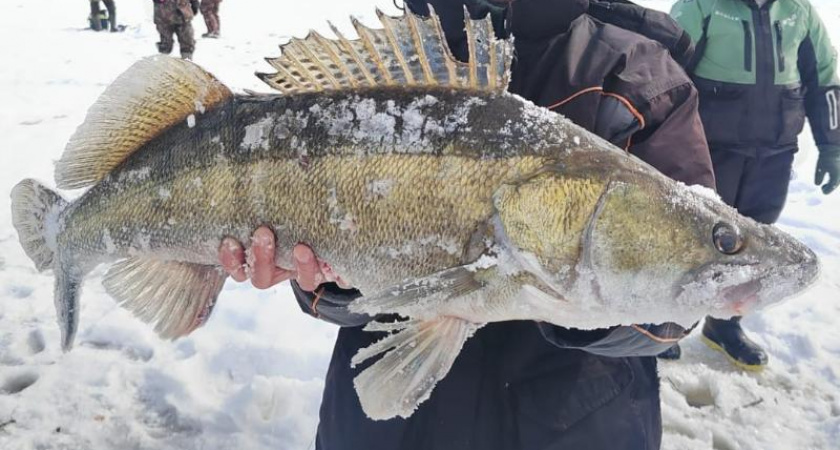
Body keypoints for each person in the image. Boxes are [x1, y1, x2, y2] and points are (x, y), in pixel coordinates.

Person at [218, 0, 715, 448]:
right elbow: (319, 263)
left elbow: (683, 293)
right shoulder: (391, 60)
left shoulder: (637, 77)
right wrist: (332, 283)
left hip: (577, 419)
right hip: (385, 427)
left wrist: (573, 296)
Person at [669, 0, 840, 370]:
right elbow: (663, 74)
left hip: (774, 153)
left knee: (752, 244)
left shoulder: (799, 12)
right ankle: (664, 323)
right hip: (709, 152)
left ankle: (724, 324)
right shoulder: (701, 7)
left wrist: (832, 146)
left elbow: (823, 77)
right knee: (691, 237)